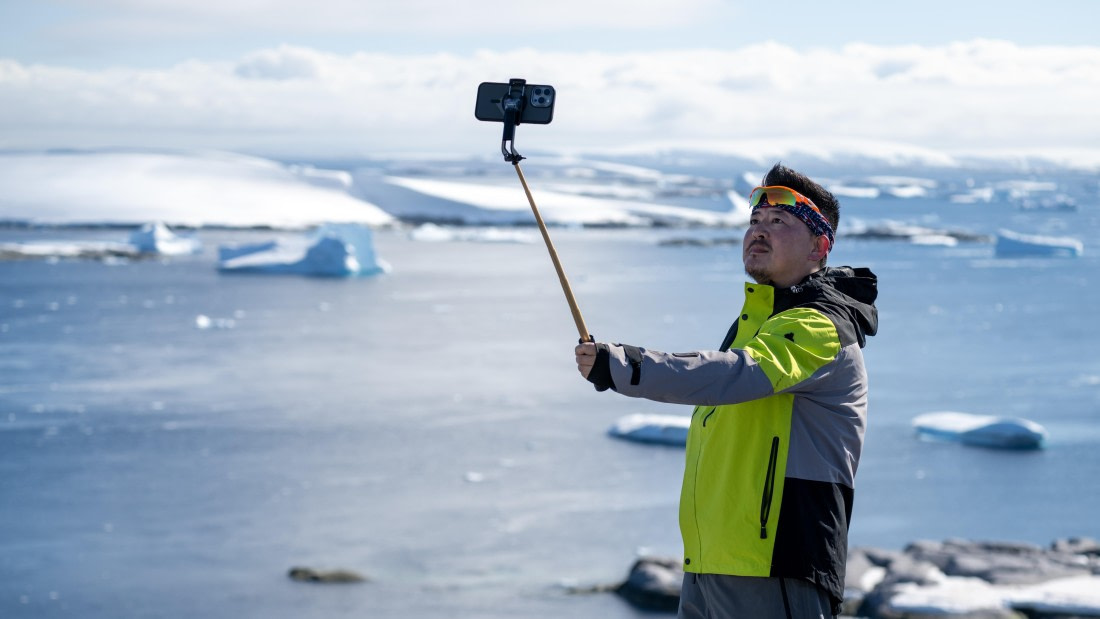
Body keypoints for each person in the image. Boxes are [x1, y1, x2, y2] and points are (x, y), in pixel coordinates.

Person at [575, 163, 878, 618]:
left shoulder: (820, 325)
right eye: (755, 220)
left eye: (779, 222)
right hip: (712, 562)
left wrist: (623, 365)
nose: (759, 230)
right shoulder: (760, 322)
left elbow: (735, 375)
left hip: (776, 564)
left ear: (820, 246)